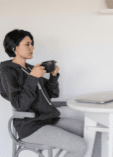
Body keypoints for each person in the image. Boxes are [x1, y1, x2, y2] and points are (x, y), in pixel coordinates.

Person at [0, 29, 87, 157]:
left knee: (93, 131)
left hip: (49, 120)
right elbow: (20, 105)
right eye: (27, 44)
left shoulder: (30, 68)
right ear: (15, 48)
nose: (32, 47)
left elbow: (52, 94)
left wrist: (53, 76)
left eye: (32, 44)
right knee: (80, 146)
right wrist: (33, 78)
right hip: (30, 126)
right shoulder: (7, 72)